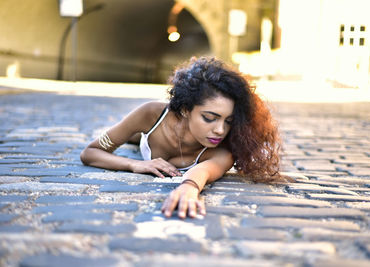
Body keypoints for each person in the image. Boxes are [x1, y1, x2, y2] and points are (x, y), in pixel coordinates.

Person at [80, 56, 281, 219]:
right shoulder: (151, 114)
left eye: (228, 121)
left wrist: (188, 188)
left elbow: (203, 171)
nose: (220, 130)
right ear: (186, 110)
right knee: (134, 136)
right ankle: (136, 137)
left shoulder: (225, 150)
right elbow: (90, 152)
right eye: (209, 118)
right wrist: (134, 165)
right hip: (147, 132)